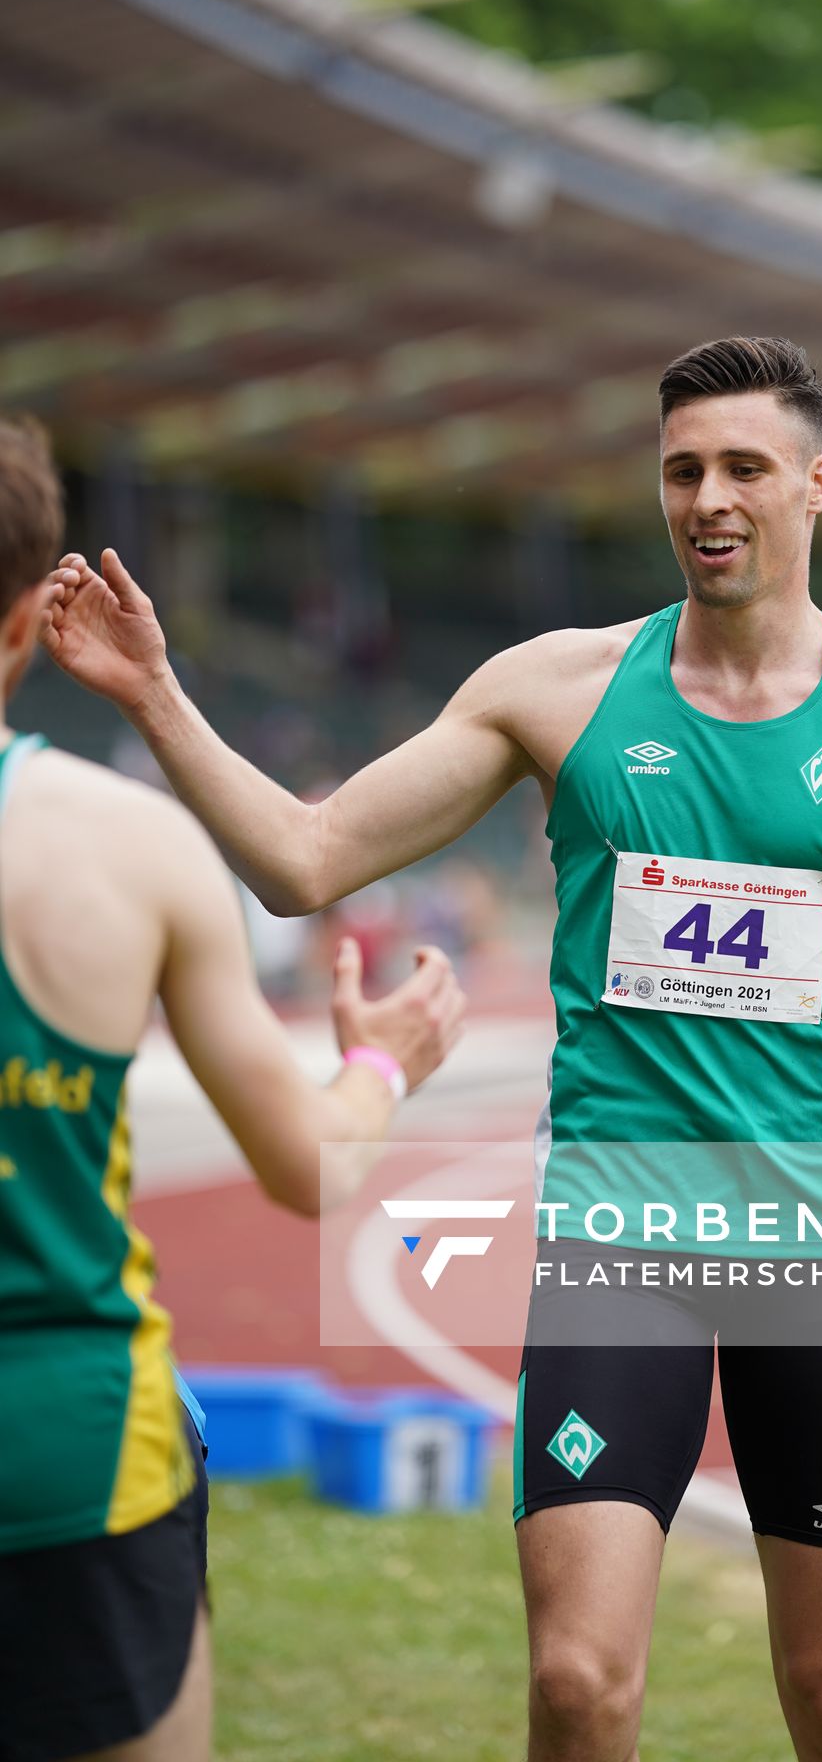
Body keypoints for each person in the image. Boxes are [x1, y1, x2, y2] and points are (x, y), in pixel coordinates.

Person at [44, 338, 822, 1762]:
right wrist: (155, 695)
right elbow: (306, 861)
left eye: (743, 467)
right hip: (622, 1234)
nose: (709, 498)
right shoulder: (557, 690)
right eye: (682, 470)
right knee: (576, 1682)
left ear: (816, 486)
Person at [0, 416, 465, 1762]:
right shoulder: (130, 846)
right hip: (76, 1463)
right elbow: (308, 1168)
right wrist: (385, 1060)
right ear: (36, 618)